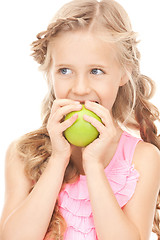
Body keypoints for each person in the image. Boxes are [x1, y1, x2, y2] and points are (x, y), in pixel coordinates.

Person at [0, 0, 160, 239]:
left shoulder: (142, 159)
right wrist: (58, 158)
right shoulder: (24, 154)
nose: (80, 88)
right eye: (65, 71)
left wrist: (94, 166)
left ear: (124, 71)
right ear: (50, 72)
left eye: (96, 71)